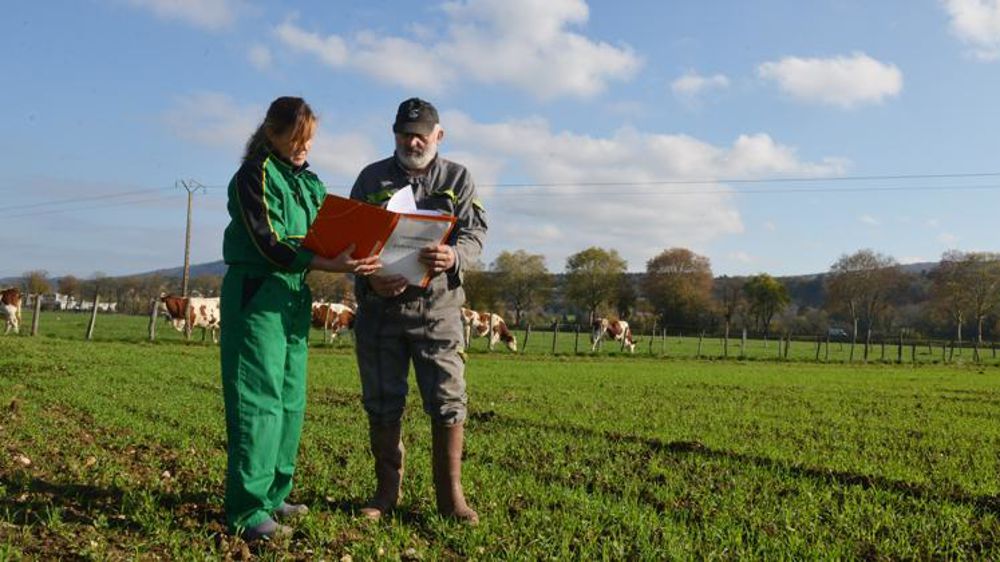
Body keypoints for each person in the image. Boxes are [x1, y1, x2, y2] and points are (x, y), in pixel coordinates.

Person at [219, 96, 380, 540]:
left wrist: (360, 248)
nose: (303, 148)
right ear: (271, 133)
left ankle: (275, 494)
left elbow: (326, 232)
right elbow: (268, 241)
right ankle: (248, 511)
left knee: (290, 398)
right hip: (257, 293)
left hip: (294, 295)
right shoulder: (253, 175)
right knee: (258, 399)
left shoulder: (310, 183)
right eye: (295, 139)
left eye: (309, 140)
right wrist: (331, 263)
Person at [349, 98, 488, 524]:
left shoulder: (458, 179)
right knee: (382, 402)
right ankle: (385, 493)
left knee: (448, 401)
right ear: (394, 134)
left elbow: (475, 235)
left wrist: (454, 256)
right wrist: (370, 278)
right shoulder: (370, 179)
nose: (412, 142)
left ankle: (451, 499)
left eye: (421, 135)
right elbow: (352, 242)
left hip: (438, 311)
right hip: (380, 312)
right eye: (405, 134)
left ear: (438, 135)